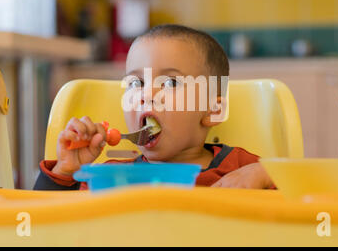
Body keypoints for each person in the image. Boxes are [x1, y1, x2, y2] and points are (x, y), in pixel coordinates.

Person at [34, 24, 274, 190]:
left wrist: (265, 176)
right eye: (136, 83)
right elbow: (46, 228)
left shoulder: (244, 168)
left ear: (213, 110)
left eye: (170, 83)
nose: (146, 94)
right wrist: (65, 172)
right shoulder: (110, 178)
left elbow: (303, 201)